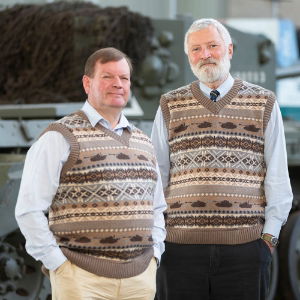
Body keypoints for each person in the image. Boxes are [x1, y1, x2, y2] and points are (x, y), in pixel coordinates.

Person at [151, 18, 293, 300]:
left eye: (212, 46)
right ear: (188, 56)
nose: (205, 55)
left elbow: (277, 175)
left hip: (246, 251)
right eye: (196, 49)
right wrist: (158, 240)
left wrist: (269, 239)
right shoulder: (170, 104)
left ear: (229, 49)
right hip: (180, 251)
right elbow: (155, 176)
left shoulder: (263, 102)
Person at [15, 47, 167, 300]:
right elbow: (29, 209)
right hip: (82, 280)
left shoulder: (143, 141)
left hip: (139, 280)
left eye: (124, 78)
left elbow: (157, 208)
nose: (117, 84)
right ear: (87, 83)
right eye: (107, 76)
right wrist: (59, 265)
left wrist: (154, 255)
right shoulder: (60, 137)